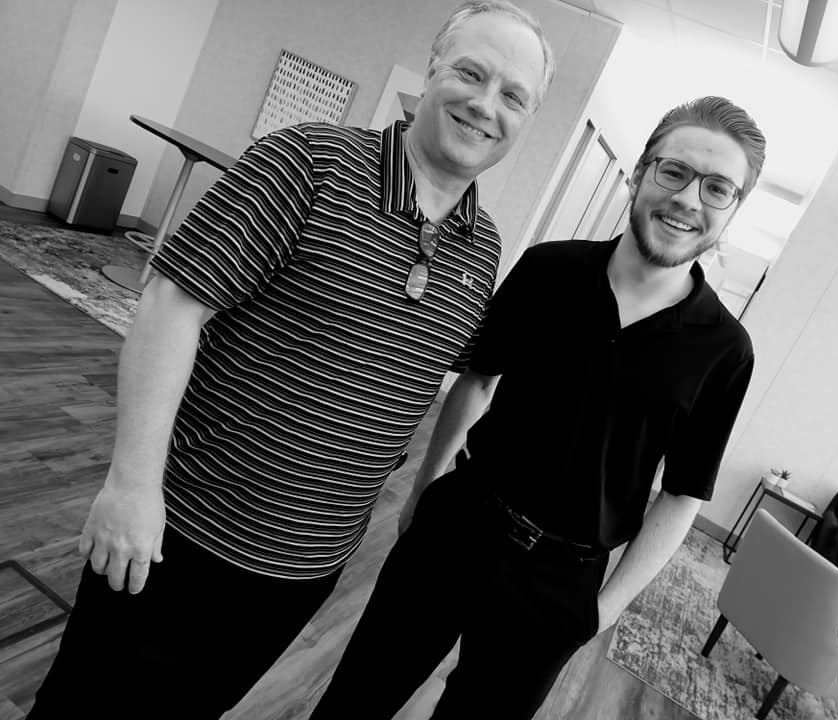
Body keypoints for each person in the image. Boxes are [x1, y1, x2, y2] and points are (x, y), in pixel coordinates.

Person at [27, 3, 554, 718]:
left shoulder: (482, 247)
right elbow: (170, 304)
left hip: (304, 572)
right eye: (471, 73)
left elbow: (421, 383)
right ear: (432, 71)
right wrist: (131, 486)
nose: (486, 105)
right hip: (182, 533)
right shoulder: (308, 162)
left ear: (529, 118)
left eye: (514, 95)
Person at [312, 95, 767, 720]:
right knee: (352, 703)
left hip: (560, 584)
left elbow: (682, 495)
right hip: (458, 527)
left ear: (732, 209)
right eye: (675, 171)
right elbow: (478, 381)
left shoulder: (726, 351)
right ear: (640, 173)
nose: (689, 199)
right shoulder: (549, 268)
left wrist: (602, 611)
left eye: (717, 188)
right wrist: (424, 490)